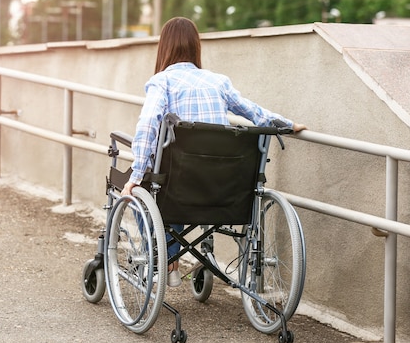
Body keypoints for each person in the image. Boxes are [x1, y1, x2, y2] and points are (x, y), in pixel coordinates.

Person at [121, 16, 307, 287]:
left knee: (142, 191)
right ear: (196, 47)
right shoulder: (218, 82)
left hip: (179, 192)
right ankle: (173, 256)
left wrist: (135, 175)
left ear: (164, 48)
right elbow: (253, 112)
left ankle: (167, 257)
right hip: (223, 193)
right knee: (175, 184)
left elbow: (148, 124)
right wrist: (288, 124)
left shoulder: (163, 82)